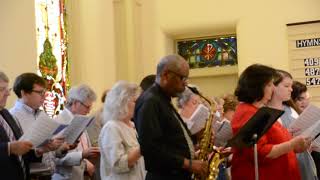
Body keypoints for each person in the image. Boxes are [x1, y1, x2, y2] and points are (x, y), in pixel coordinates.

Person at [134, 54, 207, 180]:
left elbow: (169, 141)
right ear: (166, 75)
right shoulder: (150, 101)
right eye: (182, 78)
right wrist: (188, 164)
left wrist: (195, 138)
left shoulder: (162, 99)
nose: (185, 84)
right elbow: (150, 148)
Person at [231, 64, 310, 180]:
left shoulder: (260, 110)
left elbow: (277, 143)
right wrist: (292, 144)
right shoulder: (246, 113)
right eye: (269, 84)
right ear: (257, 87)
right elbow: (260, 153)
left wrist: (296, 147)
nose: (273, 88)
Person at [10, 72, 64, 175]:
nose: (44, 97)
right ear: (24, 93)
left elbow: (49, 152)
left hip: (49, 174)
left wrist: (59, 148)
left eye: (44, 92)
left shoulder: (42, 115)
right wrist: (39, 150)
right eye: (40, 92)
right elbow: (14, 155)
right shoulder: (12, 117)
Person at [268, 70, 317, 180]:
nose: (291, 89)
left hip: (303, 162)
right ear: (273, 87)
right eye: (286, 86)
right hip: (285, 166)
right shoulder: (267, 112)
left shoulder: (290, 109)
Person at [99, 81, 145, 180]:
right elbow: (118, 164)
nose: (139, 105)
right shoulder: (111, 127)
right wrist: (144, 147)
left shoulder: (131, 125)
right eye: (135, 101)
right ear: (122, 102)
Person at [52, 84, 100, 180]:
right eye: (87, 107)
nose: (89, 111)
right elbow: (55, 157)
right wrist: (82, 157)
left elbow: (84, 147)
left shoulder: (80, 119)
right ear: (75, 103)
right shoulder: (59, 122)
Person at [0, 71, 35, 180]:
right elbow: (13, 147)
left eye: (7, 89)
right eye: (1, 89)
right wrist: (9, 148)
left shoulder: (6, 114)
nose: (8, 94)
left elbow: (20, 148)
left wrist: (39, 151)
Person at [291, 80, 320, 177]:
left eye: (307, 99)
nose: (304, 102)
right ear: (292, 100)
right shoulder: (290, 118)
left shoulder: (312, 116)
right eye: (300, 99)